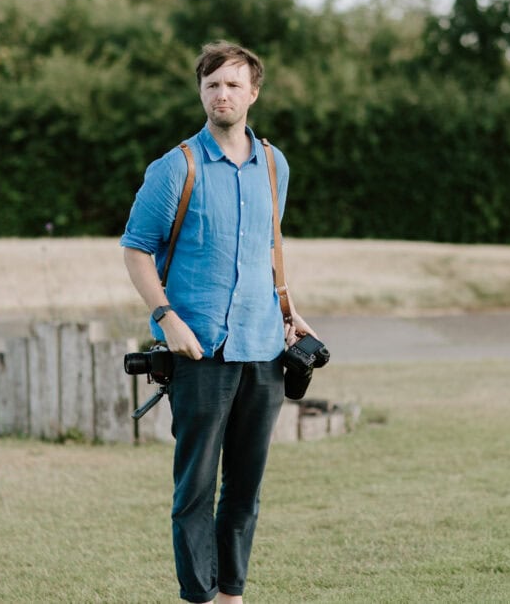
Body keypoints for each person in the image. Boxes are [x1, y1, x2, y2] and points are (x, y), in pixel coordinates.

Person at [120, 41, 316, 603]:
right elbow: (136, 250)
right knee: (195, 490)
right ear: (201, 93)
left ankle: (232, 594)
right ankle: (199, 596)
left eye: (233, 84)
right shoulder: (173, 169)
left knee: (245, 491)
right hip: (198, 353)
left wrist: (287, 305)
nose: (222, 94)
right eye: (212, 85)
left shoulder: (274, 166)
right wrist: (166, 318)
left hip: (263, 349)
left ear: (253, 92)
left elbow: (266, 246)